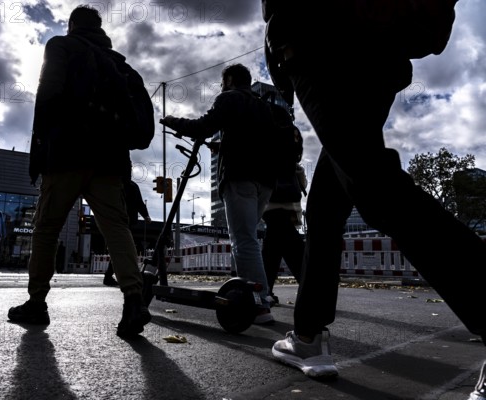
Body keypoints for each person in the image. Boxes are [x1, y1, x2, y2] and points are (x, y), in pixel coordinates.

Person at [262, 1, 486, 395]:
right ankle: (308, 335)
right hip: (384, 52)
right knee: (328, 205)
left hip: (321, 39)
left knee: (371, 183)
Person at [7, 5, 151, 339]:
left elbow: (47, 95)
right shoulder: (120, 65)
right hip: (110, 161)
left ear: (72, 25)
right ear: (100, 29)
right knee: (116, 227)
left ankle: (37, 302)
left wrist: (41, 149)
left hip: (67, 153)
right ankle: (133, 299)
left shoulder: (61, 46)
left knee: (46, 229)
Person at [160, 63, 283, 325]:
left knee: (243, 239)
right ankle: (245, 292)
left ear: (228, 80)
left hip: (240, 176)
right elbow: (256, 139)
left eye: (222, 81)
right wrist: (223, 144)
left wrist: (173, 121)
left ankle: (260, 305)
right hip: (265, 180)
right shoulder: (263, 105)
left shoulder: (229, 98)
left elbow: (204, 125)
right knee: (248, 236)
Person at [262, 160, 307, 306]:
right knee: (294, 252)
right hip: (288, 209)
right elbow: (302, 183)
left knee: (272, 253)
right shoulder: (291, 162)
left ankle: (266, 291)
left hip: (269, 208)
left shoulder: (265, 159)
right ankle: (310, 291)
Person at [104, 178, 152, 287]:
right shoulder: (120, 184)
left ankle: (113, 276)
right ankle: (122, 276)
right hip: (119, 220)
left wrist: (146, 215)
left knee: (121, 249)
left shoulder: (130, 186)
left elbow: (139, 202)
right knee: (122, 249)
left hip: (126, 221)